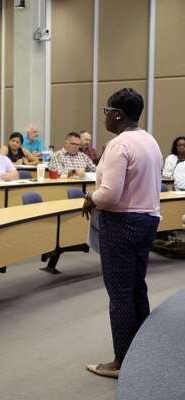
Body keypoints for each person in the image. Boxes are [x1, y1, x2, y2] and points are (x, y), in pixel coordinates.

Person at [82, 88, 163, 379]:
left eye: (107, 111)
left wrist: (90, 196)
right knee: (136, 287)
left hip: (121, 224)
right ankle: (143, 350)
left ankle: (120, 361)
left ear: (118, 114)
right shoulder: (150, 141)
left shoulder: (119, 144)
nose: (104, 117)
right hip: (147, 219)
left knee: (119, 295)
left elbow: (108, 196)